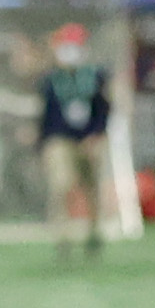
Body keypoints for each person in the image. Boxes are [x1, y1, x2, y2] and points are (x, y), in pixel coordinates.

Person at [35, 21, 114, 258]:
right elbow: (47, 115)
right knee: (61, 185)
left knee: (91, 188)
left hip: (90, 139)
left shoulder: (96, 77)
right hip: (61, 139)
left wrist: (96, 136)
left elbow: (104, 109)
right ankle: (62, 235)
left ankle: (93, 232)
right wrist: (42, 144)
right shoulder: (50, 80)